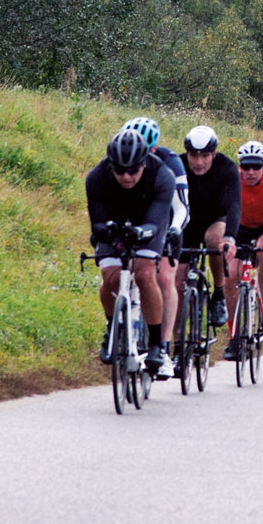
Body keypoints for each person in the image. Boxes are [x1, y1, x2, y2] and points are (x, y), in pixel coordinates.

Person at [86, 128, 176, 372]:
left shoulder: (161, 176)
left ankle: (157, 344)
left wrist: (143, 232)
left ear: (143, 164)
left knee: (146, 275)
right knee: (110, 279)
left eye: (133, 170)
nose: (127, 176)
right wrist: (106, 231)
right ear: (110, 166)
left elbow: (156, 220)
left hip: (149, 222)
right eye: (119, 170)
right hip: (113, 221)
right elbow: (98, 220)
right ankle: (111, 328)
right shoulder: (96, 177)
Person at [121, 117, 189, 380]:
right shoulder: (121, 159)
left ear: (154, 147)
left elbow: (181, 207)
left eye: (147, 149)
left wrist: (175, 230)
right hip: (134, 217)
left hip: (163, 219)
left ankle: (162, 348)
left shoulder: (170, 163)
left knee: (163, 277)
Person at [226, 140, 263, 358]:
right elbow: (228, 209)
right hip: (240, 227)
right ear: (239, 166)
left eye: (256, 167)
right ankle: (233, 337)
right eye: (246, 167)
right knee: (231, 274)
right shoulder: (234, 178)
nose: (250, 172)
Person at [176, 125, 239, 330]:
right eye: (193, 155)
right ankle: (176, 344)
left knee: (215, 240)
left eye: (205, 156)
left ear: (214, 153)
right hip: (187, 221)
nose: (199, 162)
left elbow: (234, 205)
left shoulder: (227, 168)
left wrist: (230, 238)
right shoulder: (178, 165)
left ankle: (218, 293)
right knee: (177, 281)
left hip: (216, 218)